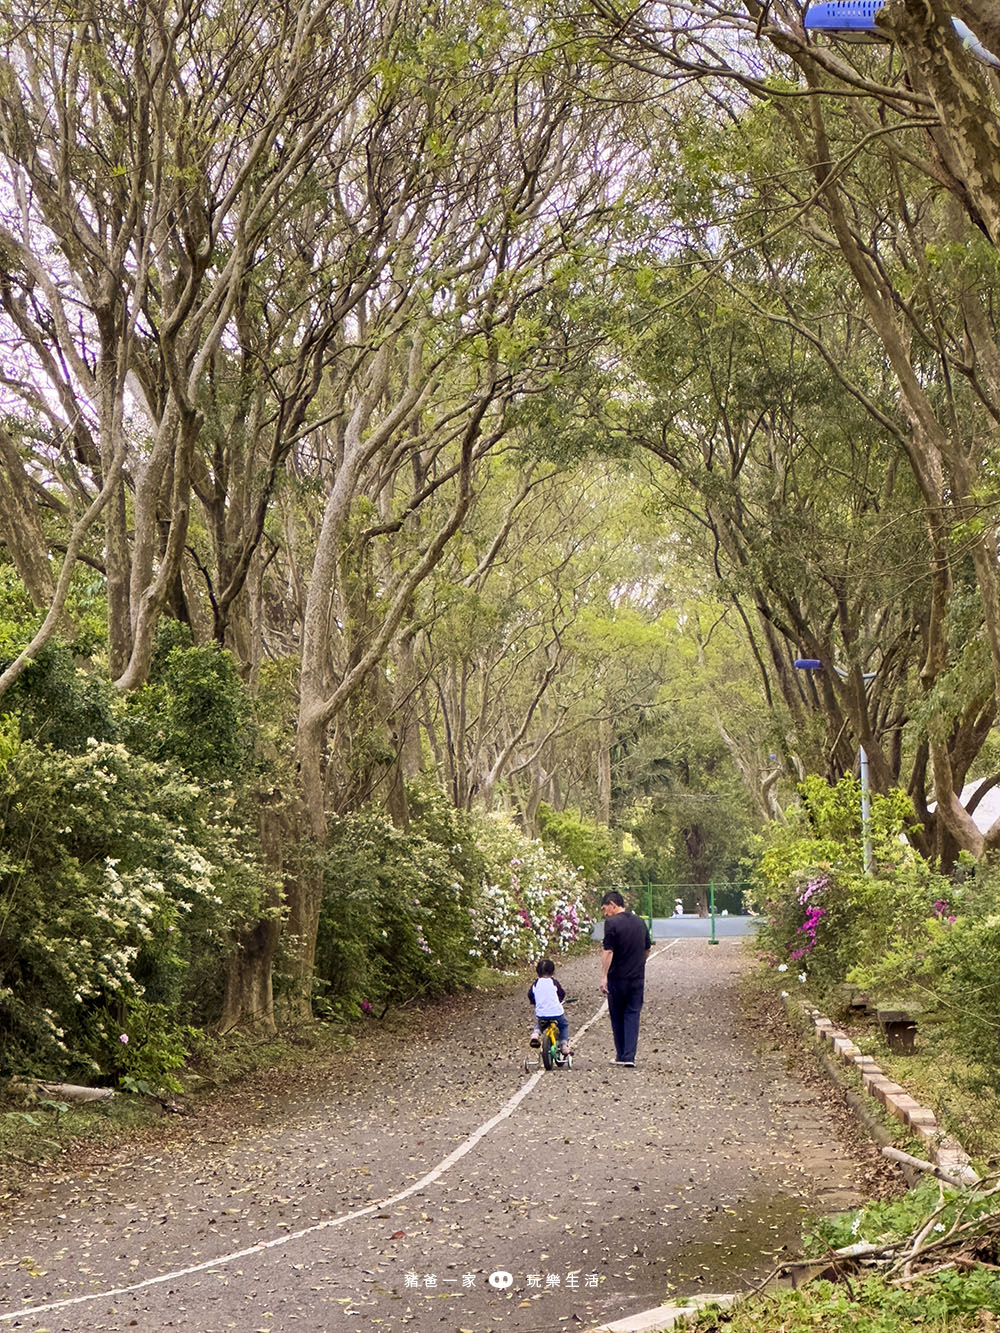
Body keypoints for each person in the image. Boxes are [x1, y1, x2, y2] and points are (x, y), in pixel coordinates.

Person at [599, 890, 651, 1067]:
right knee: (632, 1014)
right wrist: (639, 963)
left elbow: (608, 951)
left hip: (618, 977)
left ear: (613, 905)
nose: (605, 913)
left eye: (605, 909)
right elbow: (647, 948)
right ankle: (630, 1056)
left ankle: (621, 1054)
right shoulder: (640, 922)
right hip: (637, 977)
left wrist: (604, 976)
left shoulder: (611, 923)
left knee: (617, 1015)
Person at [529, 958, 570, 1054]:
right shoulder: (554, 982)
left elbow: (530, 995)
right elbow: (561, 993)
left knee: (540, 1024)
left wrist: (535, 1002)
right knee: (563, 1026)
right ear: (553, 971)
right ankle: (564, 1045)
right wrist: (559, 1001)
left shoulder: (536, 983)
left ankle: (535, 1035)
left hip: (541, 1013)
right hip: (556, 1012)